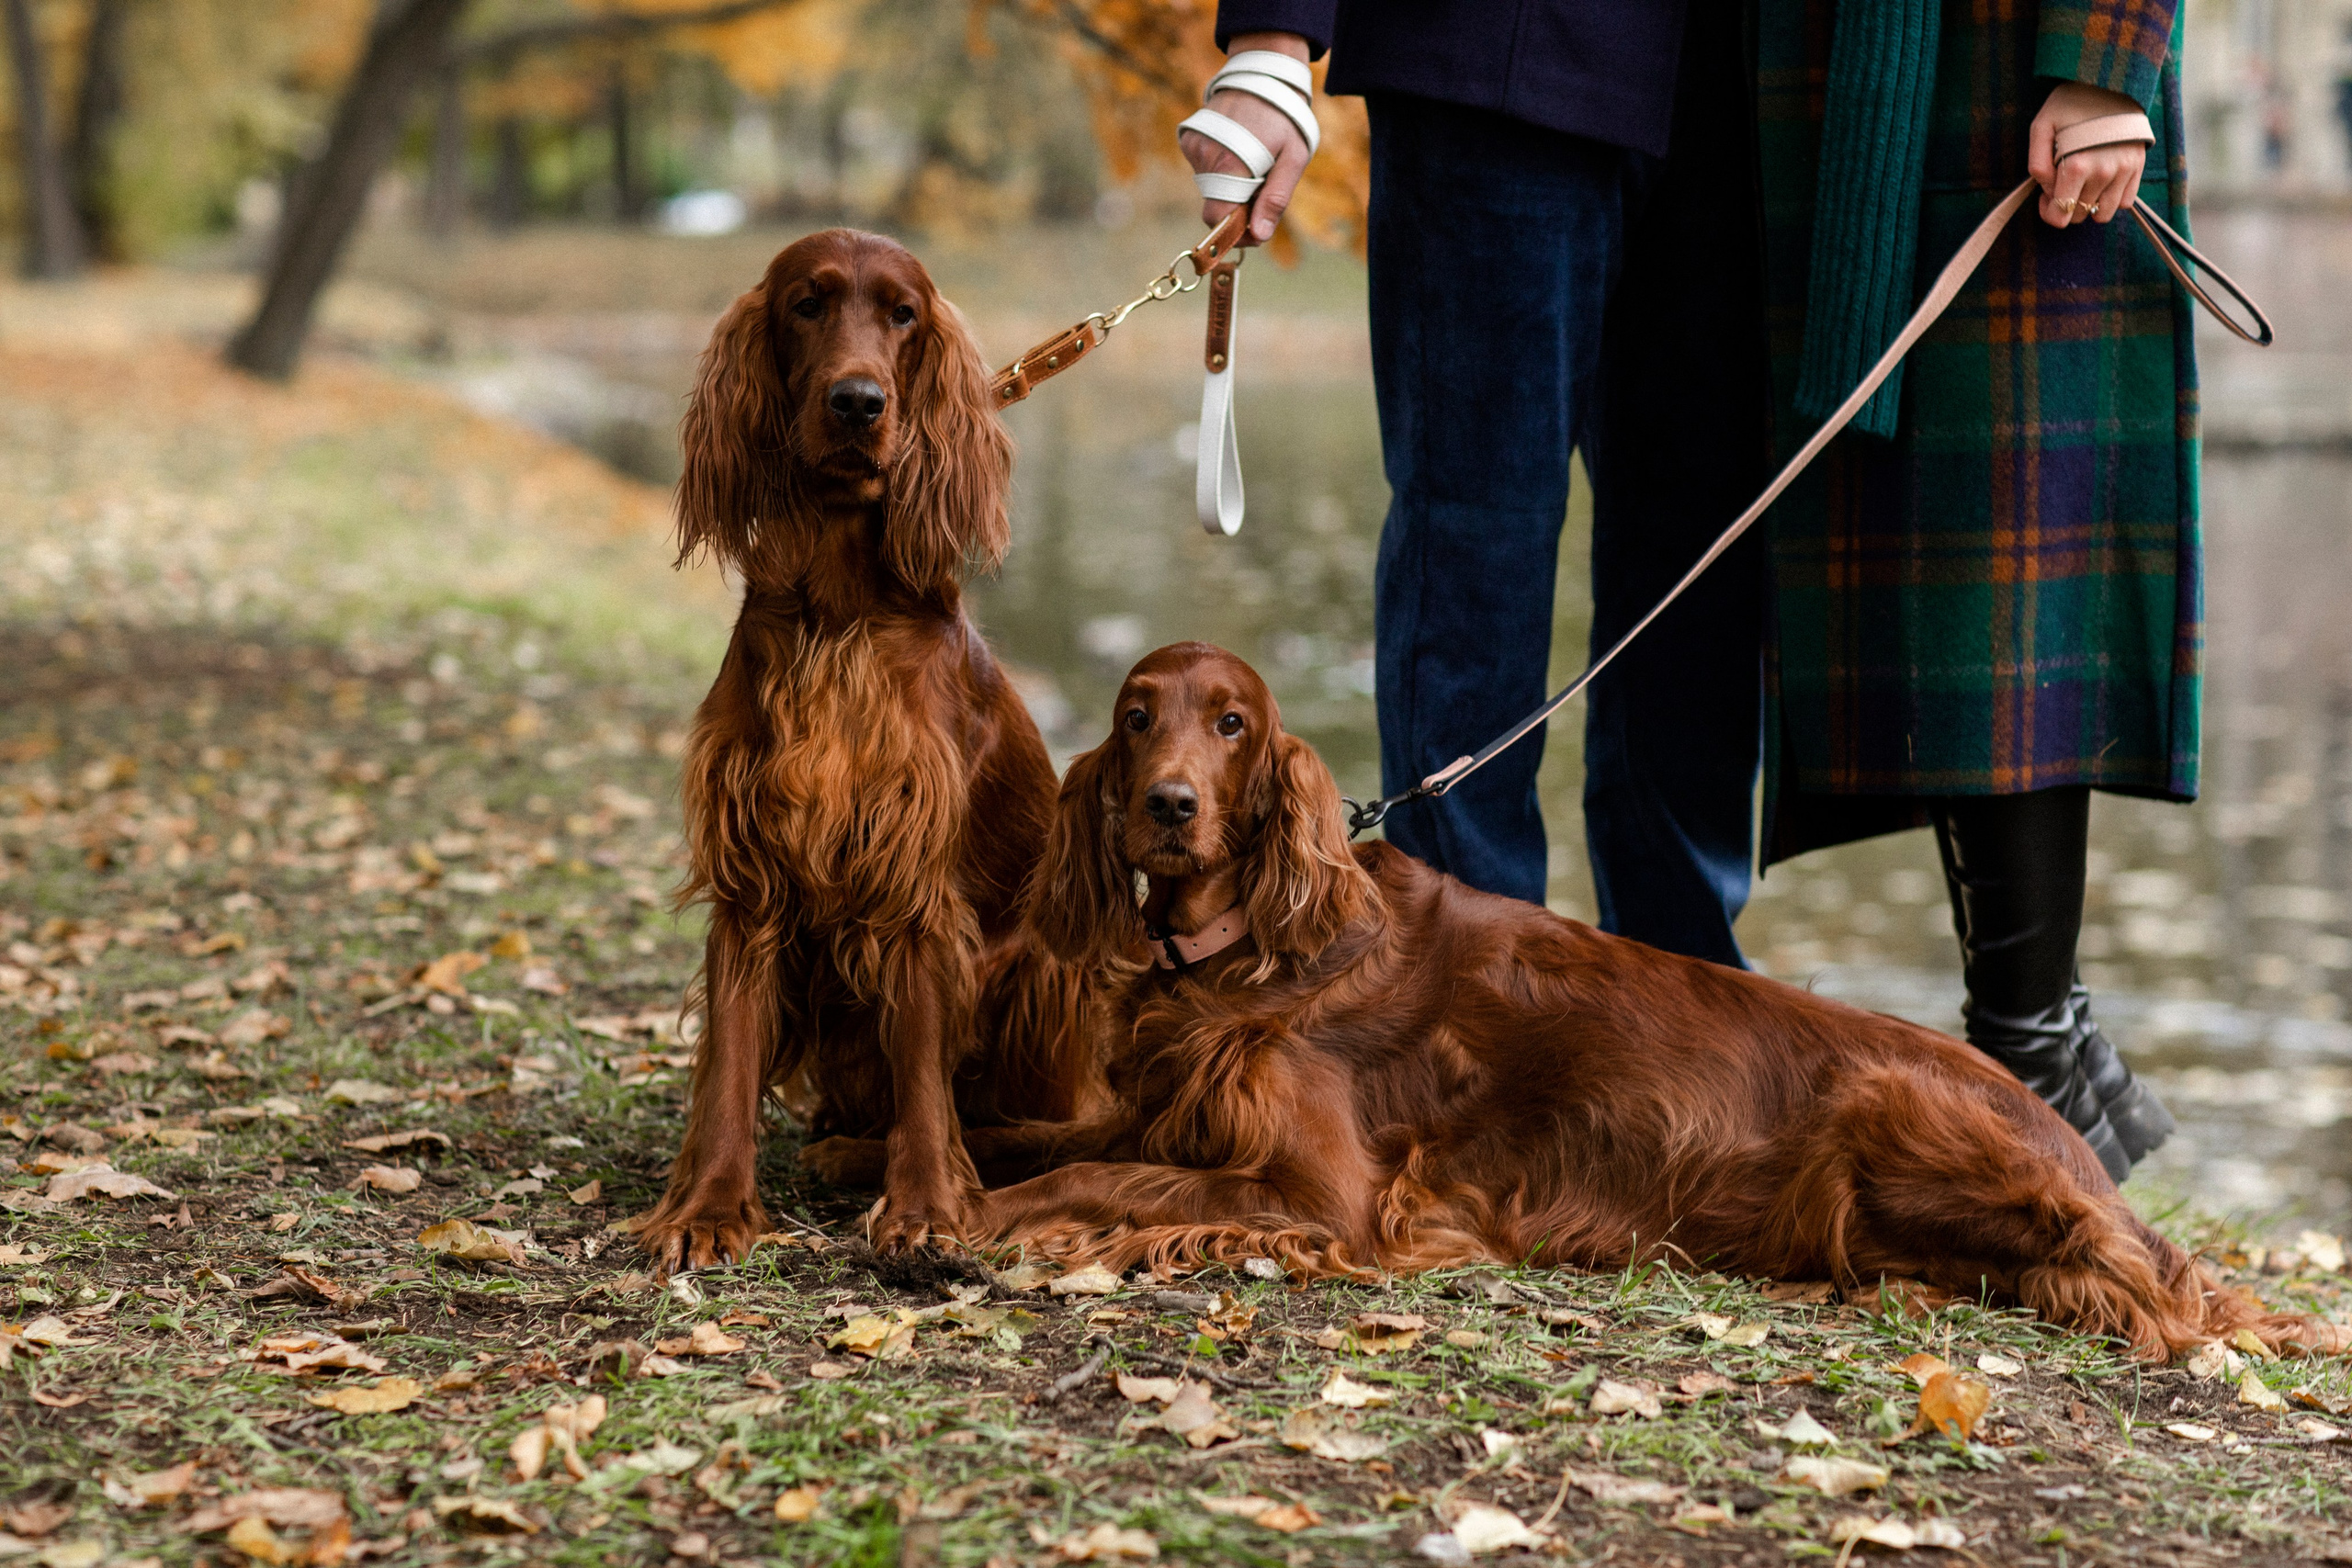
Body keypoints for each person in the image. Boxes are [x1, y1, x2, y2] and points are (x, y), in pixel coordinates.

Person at [1183, 0, 1774, 971]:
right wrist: (1271, 39)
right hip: (1497, 57)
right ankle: (1462, 1003)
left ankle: (1688, 1006)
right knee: (1475, 545)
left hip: (1758, 91)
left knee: (1702, 575)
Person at [1752, 0, 2188, 1179]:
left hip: (2022, 80)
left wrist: (2107, 65)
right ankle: (2057, 1069)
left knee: (2015, 569)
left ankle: (2032, 1072)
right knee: (1936, 580)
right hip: (1856, 94)